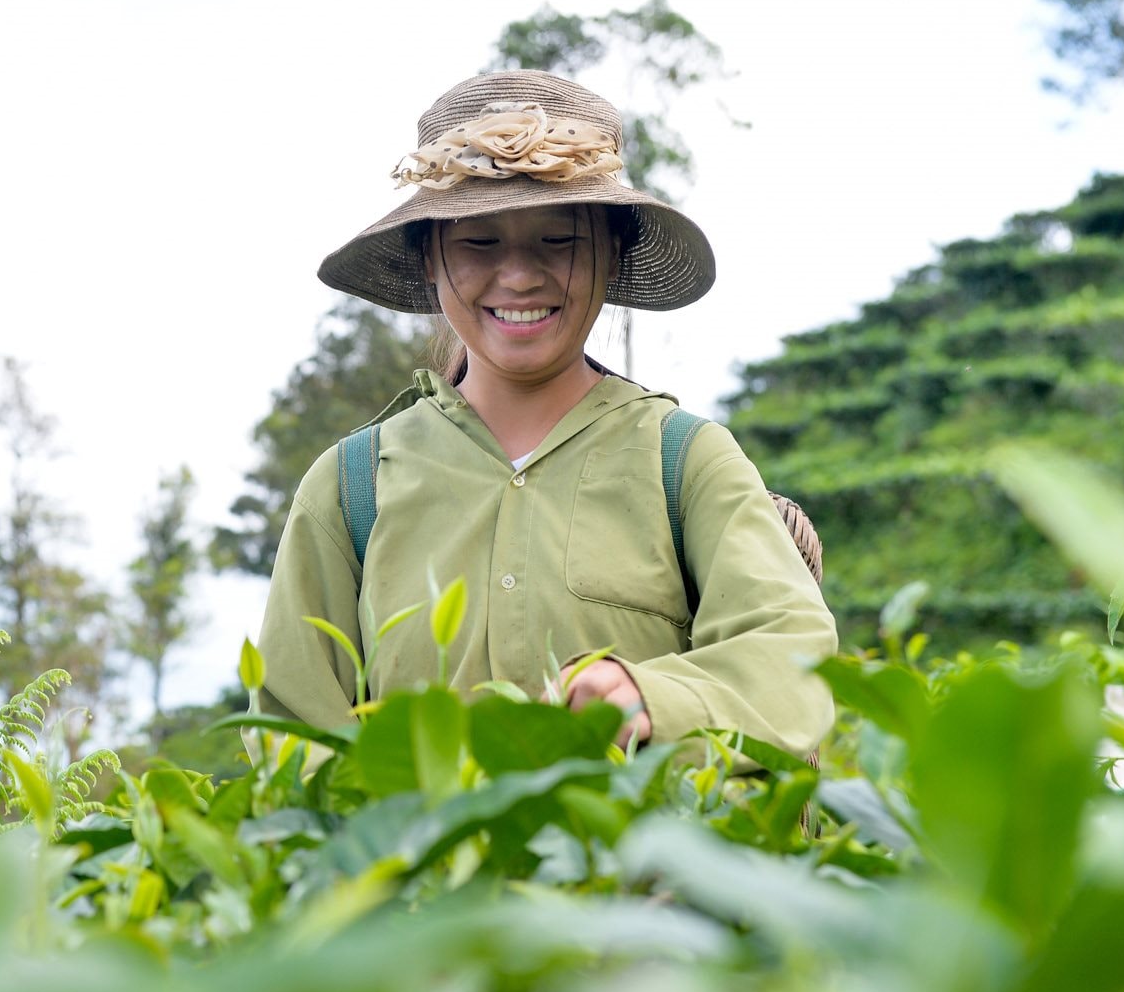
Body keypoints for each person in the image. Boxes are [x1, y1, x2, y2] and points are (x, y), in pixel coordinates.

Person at [253, 70, 838, 760]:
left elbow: (792, 655)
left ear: (613, 252)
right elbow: (294, 734)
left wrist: (652, 697)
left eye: (558, 240)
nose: (521, 276)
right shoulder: (351, 486)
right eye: (479, 242)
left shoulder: (685, 460)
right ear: (428, 259)